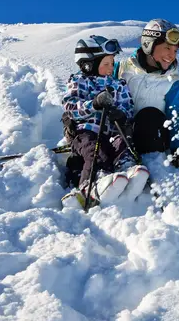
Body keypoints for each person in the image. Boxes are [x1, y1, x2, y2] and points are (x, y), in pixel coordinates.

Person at [61, 35, 148, 208]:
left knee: (123, 144)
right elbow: (69, 107)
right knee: (95, 150)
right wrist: (93, 104)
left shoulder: (118, 84)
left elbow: (128, 107)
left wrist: (121, 115)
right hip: (85, 132)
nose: (111, 67)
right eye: (106, 64)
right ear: (88, 65)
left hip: (113, 131)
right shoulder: (79, 81)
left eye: (112, 62)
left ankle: (126, 169)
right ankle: (91, 183)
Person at [114, 19, 179, 170]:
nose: (172, 55)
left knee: (148, 116)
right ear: (148, 44)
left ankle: (150, 169)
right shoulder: (121, 69)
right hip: (122, 136)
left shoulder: (172, 81)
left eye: (175, 51)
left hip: (154, 138)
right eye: (167, 48)